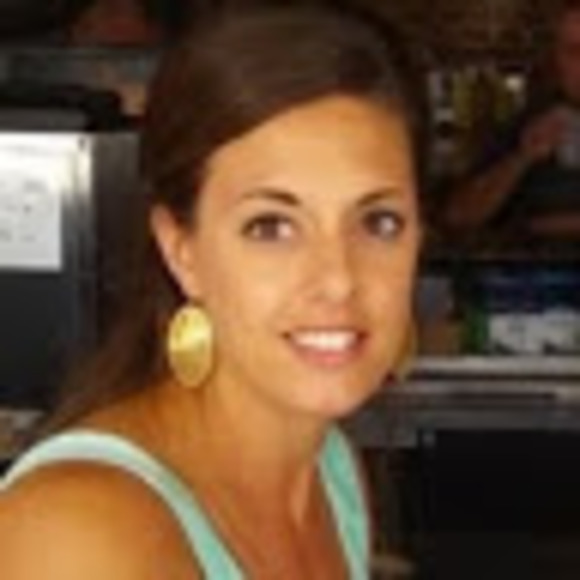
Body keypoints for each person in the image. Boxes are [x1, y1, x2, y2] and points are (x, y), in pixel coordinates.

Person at [0, 6, 421, 579]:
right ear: (182, 250)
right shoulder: (77, 531)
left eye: (378, 222)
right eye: (271, 227)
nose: (338, 279)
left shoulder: (329, 467)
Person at [443, 0, 580, 238]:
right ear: (556, 59)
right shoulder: (531, 121)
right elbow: (458, 216)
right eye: (574, 51)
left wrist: (542, 225)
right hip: (539, 261)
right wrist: (522, 157)